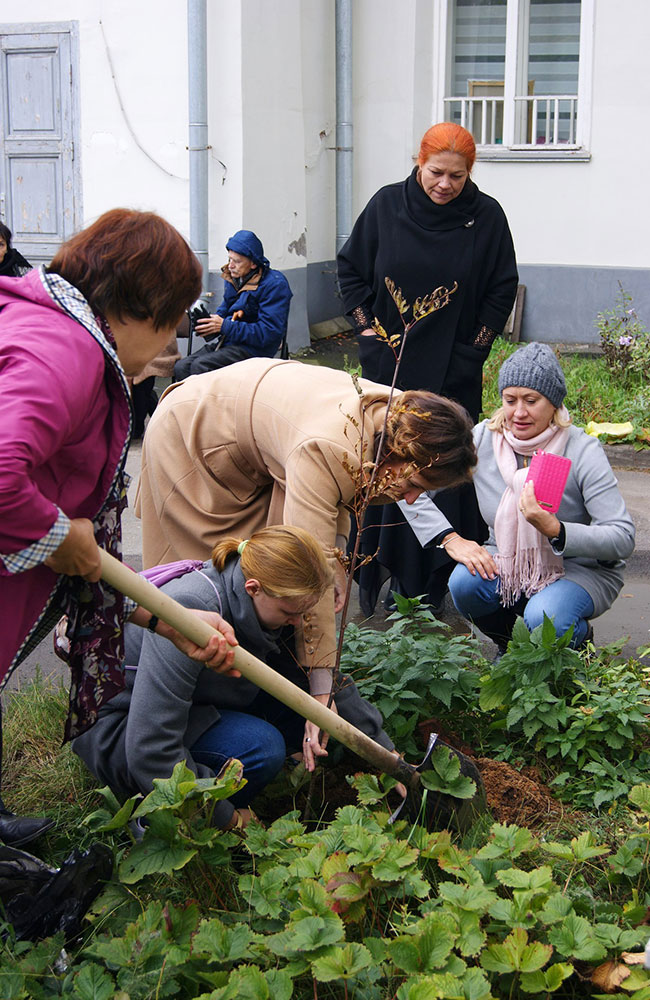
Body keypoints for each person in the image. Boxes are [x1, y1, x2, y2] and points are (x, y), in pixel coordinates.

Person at [0, 209, 237, 847]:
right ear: (143, 306)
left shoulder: (49, 325)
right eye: (172, 323)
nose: (170, 345)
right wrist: (55, 536)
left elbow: (85, 550)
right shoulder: (66, 350)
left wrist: (161, 617)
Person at [135, 356, 478, 744]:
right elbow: (307, 573)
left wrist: (337, 566)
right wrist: (321, 691)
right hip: (196, 440)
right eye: (415, 484)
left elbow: (339, 499)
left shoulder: (408, 419)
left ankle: (258, 708)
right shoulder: (331, 444)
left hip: (264, 452)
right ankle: (182, 732)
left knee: (273, 594)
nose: (413, 499)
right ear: (401, 453)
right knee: (220, 594)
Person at [73, 525, 401, 831]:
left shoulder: (268, 601)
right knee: (261, 746)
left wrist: (391, 758)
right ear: (253, 588)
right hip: (122, 729)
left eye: (304, 613)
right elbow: (150, 748)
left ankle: (222, 779)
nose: (298, 624)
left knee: (319, 718)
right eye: (291, 615)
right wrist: (228, 818)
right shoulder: (191, 611)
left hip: (195, 704)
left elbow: (321, 682)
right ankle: (160, 815)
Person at [337, 122, 518, 615]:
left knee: (445, 471)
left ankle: (444, 584)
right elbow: (350, 270)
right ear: (420, 163)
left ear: (469, 174)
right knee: (385, 469)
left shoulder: (485, 217)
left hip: (453, 377)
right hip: (387, 372)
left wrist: (471, 353)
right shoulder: (385, 206)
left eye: (457, 177)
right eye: (437, 172)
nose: (445, 184)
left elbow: (503, 289)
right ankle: (377, 576)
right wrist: (369, 334)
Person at [420, 343, 635, 652]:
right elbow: (411, 486)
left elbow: (622, 538)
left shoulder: (582, 450)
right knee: (464, 585)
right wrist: (448, 538)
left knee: (546, 616)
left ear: (554, 403)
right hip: (505, 556)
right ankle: (514, 650)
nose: (519, 412)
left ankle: (573, 648)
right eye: (510, 400)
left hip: (579, 568)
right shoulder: (482, 439)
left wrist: (556, 530)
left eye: (531, 401)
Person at [173, 230, 292, 380]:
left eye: (237, 261)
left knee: (201, 367)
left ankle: (215, 403)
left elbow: (269, 333)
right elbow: (225, 310)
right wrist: (208, 323)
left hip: (255, 349)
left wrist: (224, 326)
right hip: (231, 342)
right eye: (230, 259)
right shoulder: (233, 278)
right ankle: (191, 403)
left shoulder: (274, 284)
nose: (230, 266)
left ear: (254, 263)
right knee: (181, 367)